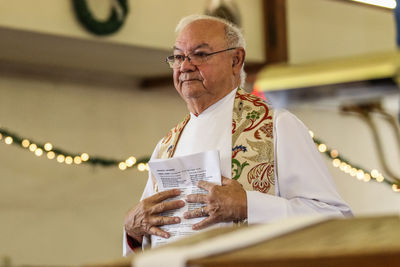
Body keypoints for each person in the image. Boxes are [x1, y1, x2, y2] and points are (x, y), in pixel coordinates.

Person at [123, 14, 352, 255]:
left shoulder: (275, 127)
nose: (185, 66)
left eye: (200, 54)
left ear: (236, 59)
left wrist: (248, 206)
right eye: (179, 56)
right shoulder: (167, 146)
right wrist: (133, 230)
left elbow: (336, 221)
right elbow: (151, 240)